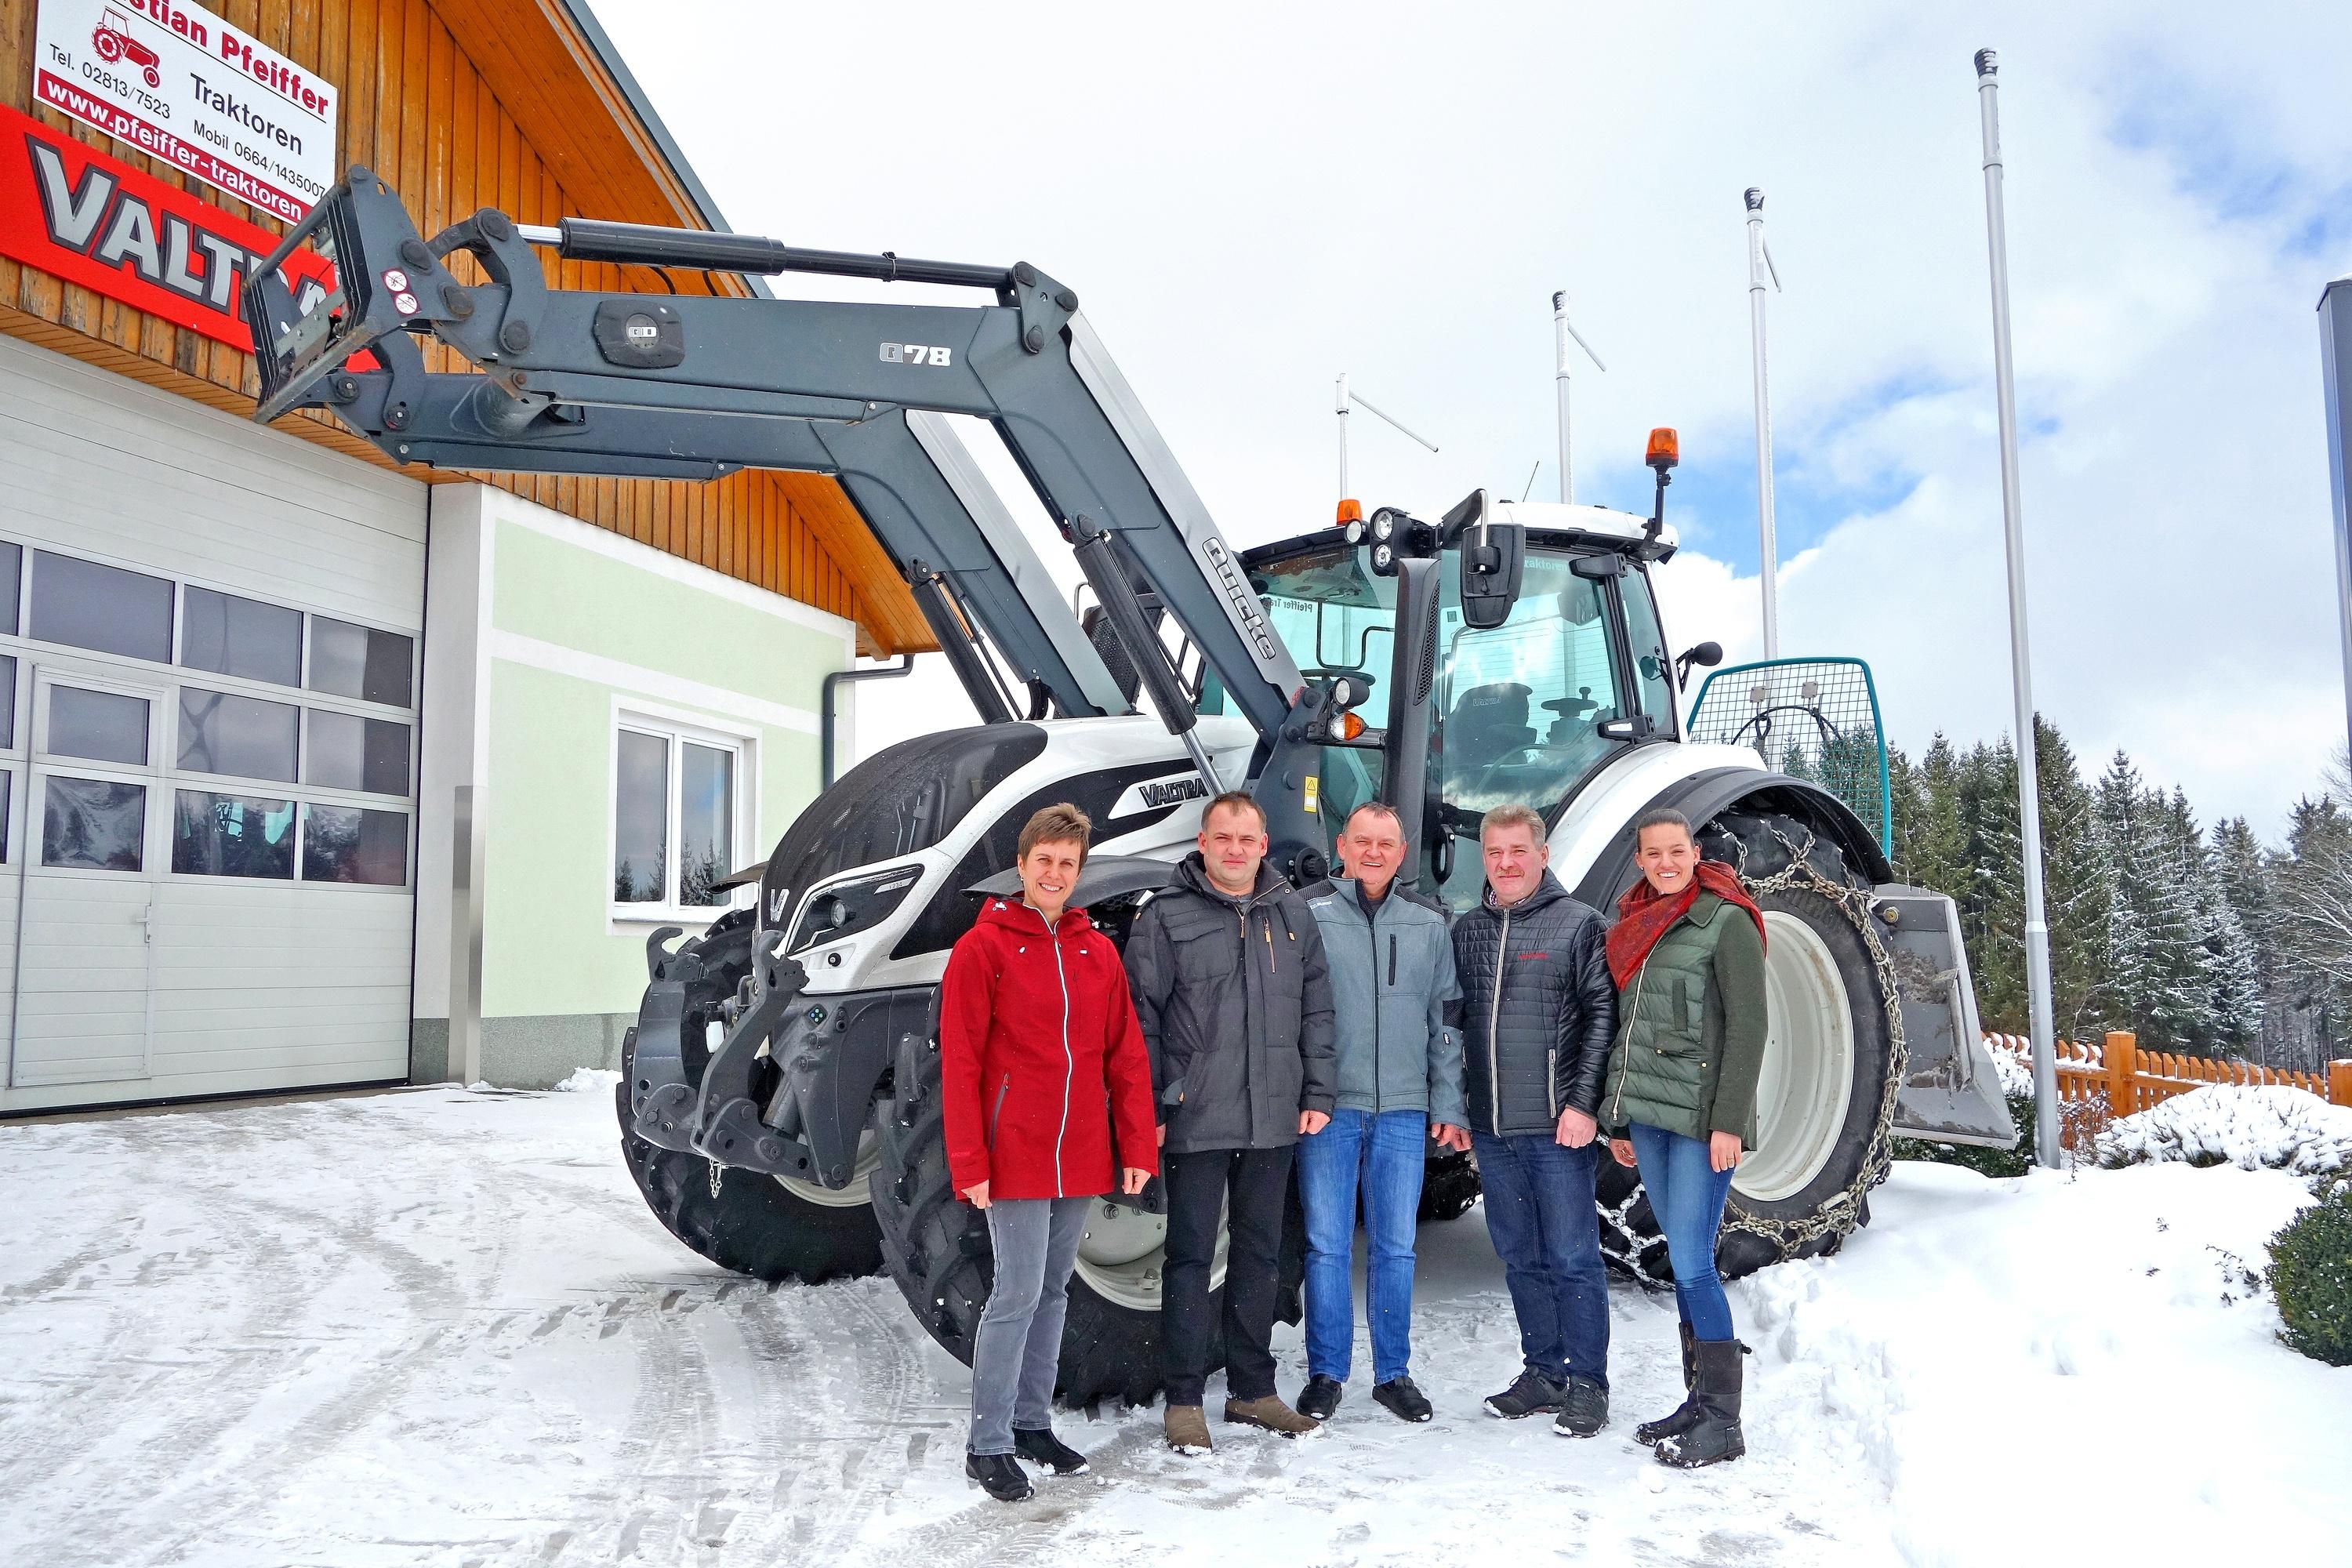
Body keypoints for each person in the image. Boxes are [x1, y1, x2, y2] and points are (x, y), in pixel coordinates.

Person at [941, 804, 1159, 1503]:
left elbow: (1125, 1055)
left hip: (1080, 1149)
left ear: (1079, 870)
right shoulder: (986, 948)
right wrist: (969, 1162)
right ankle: (989, 1442)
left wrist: (1134, 1144)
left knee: (1055, 1291)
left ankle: (1033, 1423)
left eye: (1069, 864)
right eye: (1045, 862)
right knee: (1016, 1294)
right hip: (1015, 1150)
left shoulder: (1097, 952)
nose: (1056, 874)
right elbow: (963, 1063)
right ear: (1023, 865)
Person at [1125, 789, 1337, 1452]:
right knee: (1189, 1258)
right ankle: (1184, 1399)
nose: (1236, 850)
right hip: (1197, 1114)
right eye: (1224, 838)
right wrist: (1157, 1103)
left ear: (1263, 845)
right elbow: (1141, 1018)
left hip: (1273, 1116)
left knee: (1260, 1256)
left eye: (1247, 839)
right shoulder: (1166, 917)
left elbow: (1318, 1012)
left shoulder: (1293, 914)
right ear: (1203, 843)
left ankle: (1253, 1390)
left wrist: (1318, 1093)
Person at [1600, 807, 1769, 1470]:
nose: (1665, 863)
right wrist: (1619, 1121)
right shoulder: (1638, 923)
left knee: (1696, 1265)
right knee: (1682, 1255)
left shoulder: (1726, 922)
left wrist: (1729, 1122)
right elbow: (1631, 1031)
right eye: (1653, 854)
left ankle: (1725, 1422)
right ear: (1640, 860)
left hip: (1702, 1123)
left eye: (1676, 851)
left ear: (1694, 853)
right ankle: (1698, 1401)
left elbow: (1750, 1029)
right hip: (1651, 1118)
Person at [1450, 802, 1619, 1437]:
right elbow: (1455, 1025)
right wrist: (1460, 1109)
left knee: (1573, 1255)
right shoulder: (1468, 931)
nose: (1506, 864)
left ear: (1542, 855)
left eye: (1518, 851)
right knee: (1519, 1254)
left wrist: (1582, 1106)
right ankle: (1543, 1372)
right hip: (1493, 1129)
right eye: (1495, 853)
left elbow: (1602, 1019)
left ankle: (1588, 1384)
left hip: (1556, 1127)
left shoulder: (1579, 926)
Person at [1295, 802, 1467, 1425]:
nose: (1373, 852)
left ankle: (1393, 1373)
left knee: (1396, 1247)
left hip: (1402, 1109)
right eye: (1362, 841)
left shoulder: (1428, 921)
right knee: (1326, 1246)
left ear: (1402, 851)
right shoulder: (1308, 912)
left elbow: (1445, 1019)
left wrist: (1447, 1103)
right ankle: (1326, 1372)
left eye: (1386, 843)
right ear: (1342, 845)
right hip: (1330, 1111)